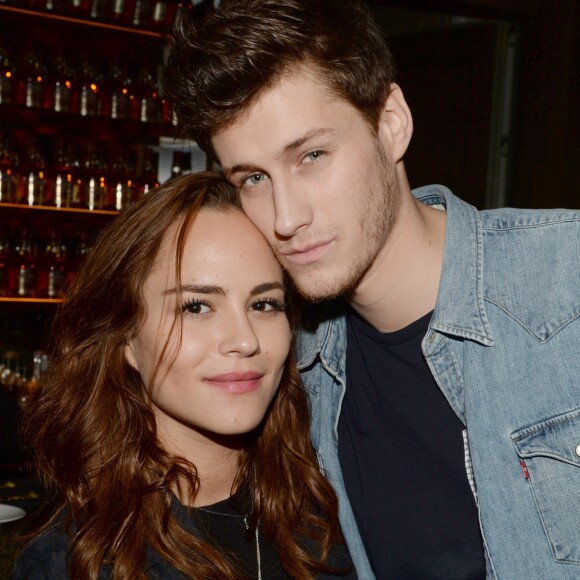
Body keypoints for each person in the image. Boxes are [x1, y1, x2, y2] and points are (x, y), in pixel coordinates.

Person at [162, 1, 580, 578]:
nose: (285, 217)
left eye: (311, 156)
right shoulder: (287, 365)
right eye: (253, 178)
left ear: (391, 123)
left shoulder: (567, 280)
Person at [10, 172, 355, 579]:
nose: (244, 341)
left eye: (263, 304)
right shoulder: (69, 563)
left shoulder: (334, 508)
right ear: (124, 338)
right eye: (195, 307)